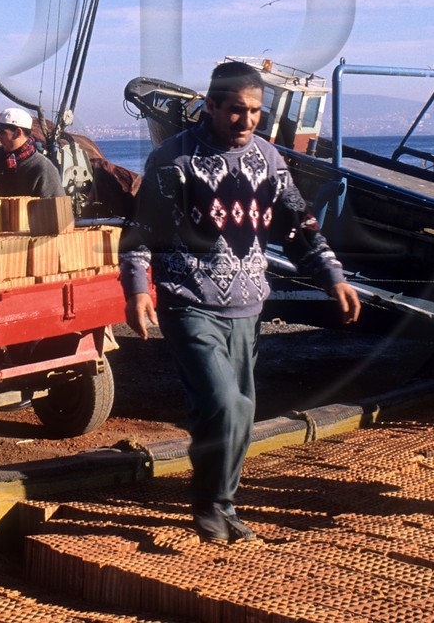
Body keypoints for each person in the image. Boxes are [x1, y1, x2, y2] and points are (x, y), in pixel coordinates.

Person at [120, 61, 362, 544]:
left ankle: (222, 503)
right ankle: (212, 506)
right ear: (210, 106)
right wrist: (138, 289)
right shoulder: (173, 159)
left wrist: (332, 275)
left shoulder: (269, 158)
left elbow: (299, 225)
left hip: (249, 306)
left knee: (240, 415)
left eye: (255, 111)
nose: (247, 120)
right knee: (223, 404)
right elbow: (140, 232)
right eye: (236, 110)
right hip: (189, 301)